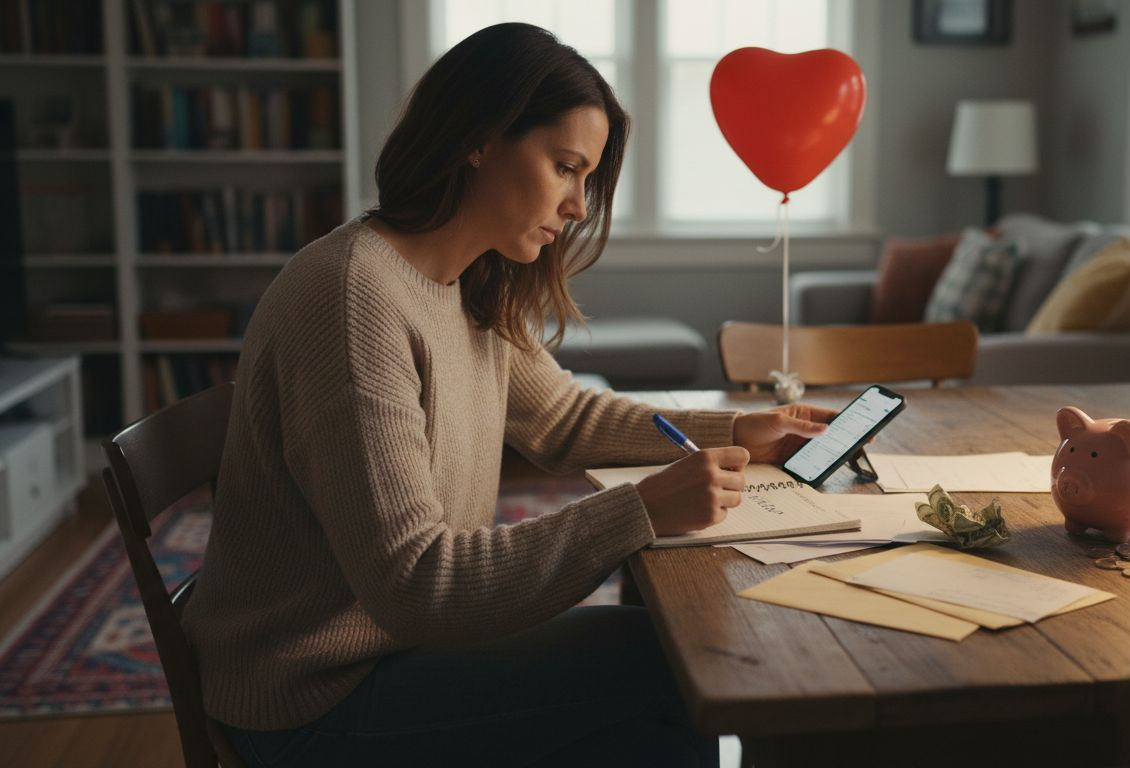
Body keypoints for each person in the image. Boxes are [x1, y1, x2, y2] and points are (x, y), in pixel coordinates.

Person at [183, 22, 834, 767]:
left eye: (586, 178)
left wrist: (737, 433)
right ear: (479, 139)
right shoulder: (351, 299)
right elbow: (414, 582)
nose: (580, 205)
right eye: (565, 168)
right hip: (315, 698)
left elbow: (564, 417)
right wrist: (641, 511)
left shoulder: (466, 280)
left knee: (664, 691)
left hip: (399, 650)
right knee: (675, 665)